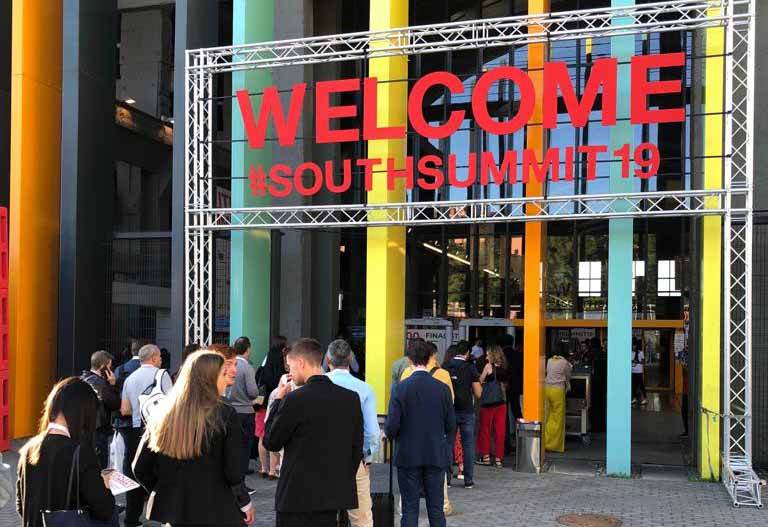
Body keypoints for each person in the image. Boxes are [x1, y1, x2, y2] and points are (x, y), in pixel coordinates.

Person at [132, 350, 255, 526]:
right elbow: (234, 471)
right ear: (209, 378)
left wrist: (166, 491)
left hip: (177, 512)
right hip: (217, 510)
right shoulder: (224, 413)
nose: (227, 379)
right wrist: (244, 502)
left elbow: (140, 467)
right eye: (223, 374)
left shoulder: (163, 413)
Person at [263, 338, 363, 527]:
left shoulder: (294, 400)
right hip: (333, 498)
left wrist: (277, 401)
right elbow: (356, 448)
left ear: (301, 363)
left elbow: (271, 441)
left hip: (296, 498)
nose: (289, 372)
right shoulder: (350, 399)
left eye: (290, 366)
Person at [16, 377, 116, 527]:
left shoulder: (29, 448)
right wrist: (105, 485)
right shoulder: (81, 453)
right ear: (85, 413)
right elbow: (104, 510)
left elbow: (21, 505)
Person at [385, 339, 456, 527]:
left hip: (407, 455)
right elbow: (451, 425)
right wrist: (445, 448)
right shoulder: (442, 389)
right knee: (436, 509)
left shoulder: (400, 389)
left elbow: (391, 427)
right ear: (429, 358)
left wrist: (395, 436)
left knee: (409, 509)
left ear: (409, 360)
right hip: (435, 454)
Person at [326, 339, 380, 527]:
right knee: (361, 518)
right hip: (353, 458)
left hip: (322, 459)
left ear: (327, 360)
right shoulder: (364, 389)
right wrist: (367, 456)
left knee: (323, 515)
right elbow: (372, 432)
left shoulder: (315, 386)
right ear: (350, 359)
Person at [120, 344, 173, 527]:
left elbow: (124, 409)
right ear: (153, 358)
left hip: (137, 430)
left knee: (137, 471)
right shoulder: (162, 375)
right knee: (162, 472)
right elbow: (172, 404)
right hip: (159, 429)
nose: (161, 360)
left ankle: (132, 518)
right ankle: (164, 515)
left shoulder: (129, 379)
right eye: (159, 357)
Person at [443, 340, 481, 487]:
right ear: (467, 353)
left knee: (448, 444)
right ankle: (468, 480)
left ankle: (446, 479)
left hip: (450, 410)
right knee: (468, 445)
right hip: (467, 411)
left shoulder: (446, 366)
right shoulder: (470, 368)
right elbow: (478, 393)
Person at [81, 350, 120, 468]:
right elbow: (115, 403)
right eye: (110, 367)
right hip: (99, 431)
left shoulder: (82, 379)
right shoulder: (100, 383)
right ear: (103, 367)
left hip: (84, 430)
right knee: (100, 466)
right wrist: (113, 384)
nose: (111, 370)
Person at [227, 336, 260, 477]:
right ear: (248, 349)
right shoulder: (247, 367)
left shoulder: (228, 364)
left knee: (232, 445)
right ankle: (241, 477)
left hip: (229, 409)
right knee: (245, 446)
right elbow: (253, 392)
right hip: (245, 411)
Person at [476, 345, 509, 467]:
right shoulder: (504, 368)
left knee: (485, 430)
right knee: (500, 431)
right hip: (501, 402)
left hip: (488, 403)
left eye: (488, 354)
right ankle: (499, 459)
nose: (486, 357)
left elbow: (480, 380)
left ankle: (486, 457)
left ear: (492, 355)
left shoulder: (488, 366)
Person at [544, 351, 573, 453]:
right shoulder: (565, 362)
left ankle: (545, 443)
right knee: (558, 418)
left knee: (548, 416)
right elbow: (568, 374)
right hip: (557, 390)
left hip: (547, 389)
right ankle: (555, 446)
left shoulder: (549, 360)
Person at [631, 341, 647, 406]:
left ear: (637, 346)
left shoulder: (640, 352)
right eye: (632, 345)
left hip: (639, 371)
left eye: (634, 345)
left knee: (641, 385)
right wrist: (632, 361)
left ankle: (644, 399)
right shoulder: (631, 352)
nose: (633, 347)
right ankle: (634, 398)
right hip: (633, 371)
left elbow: (643, 362)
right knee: (633, 385)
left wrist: (637, 362)